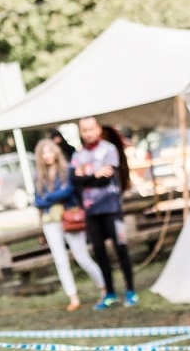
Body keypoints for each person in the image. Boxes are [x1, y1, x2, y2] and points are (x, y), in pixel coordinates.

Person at [32, 138, 106, 311]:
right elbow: (36, 200)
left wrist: (48, 198)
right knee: (60, 260)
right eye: (44, 153)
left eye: (50, 151)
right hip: (50, 221)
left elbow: (67, 191)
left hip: (69, 217)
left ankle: (104, 287)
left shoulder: (67, 170)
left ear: (56, 153)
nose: (48, 156)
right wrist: (49, 199)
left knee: (82, 257)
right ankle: (72, 296)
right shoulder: (39, 176)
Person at [72, 116, 137, 309]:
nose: (88, 133)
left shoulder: (109, 150)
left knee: (121, 249)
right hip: (91, 212)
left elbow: (105, 180)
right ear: (81, 132)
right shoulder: (78, 156)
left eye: (91, 129)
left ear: (99, 129)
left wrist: (86, 178)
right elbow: (74, 181)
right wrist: (93, 175)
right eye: (84, 130)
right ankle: (109, 293)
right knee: (100, 253)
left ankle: (130, 291)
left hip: (111, 209)